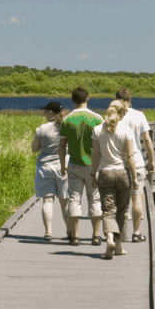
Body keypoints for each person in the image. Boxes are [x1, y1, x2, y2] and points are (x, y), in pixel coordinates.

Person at [90, 99, 137, 259]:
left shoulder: (97, 130)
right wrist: (135, 177)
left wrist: (92, 174)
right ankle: (118, 247)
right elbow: (129, 156)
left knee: (108, 211)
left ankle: (109, 238)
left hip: (105, 173)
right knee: (122, 211)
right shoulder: (126, 130)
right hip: (123, 173)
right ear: (120, 113)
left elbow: (96, 156)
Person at [58, 86, 103, 246]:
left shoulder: (67, 120)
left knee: (74, 200)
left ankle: (75, 236)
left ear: (72, 100)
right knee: (95, 199)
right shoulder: (97, 118)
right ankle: (96, 235)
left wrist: (62, 165)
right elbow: (102, 144)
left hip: (75, 165)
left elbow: (62, 146)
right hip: (94, 166)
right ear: (87, 99)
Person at [115, 86, 155, 242]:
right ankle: (136, 232)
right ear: (130, 100)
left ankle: (121, 233)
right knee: (137, 196)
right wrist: (151, 160)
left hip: (118, 162)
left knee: (120, 200)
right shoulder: (139, 115)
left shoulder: (113, 116)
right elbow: (147, 140)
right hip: (137, 162)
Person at [31, 100, 69, 242]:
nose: (44, 114)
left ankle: (48, 232)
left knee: (47, 200)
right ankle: (70, 231)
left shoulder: (42, 129)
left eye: (45, 112)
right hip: (64, 167)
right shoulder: (67, 127)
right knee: (65, 202)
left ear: (51, 112)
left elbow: (34, 149)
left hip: (45, 167)